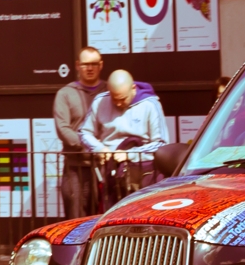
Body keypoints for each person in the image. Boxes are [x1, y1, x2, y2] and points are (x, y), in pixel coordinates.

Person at [79, 70, 170, 204]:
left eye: (123, 99)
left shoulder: (150, 104)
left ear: (133, 88)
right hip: (109, 175)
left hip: (142, 175)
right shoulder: (100, 101)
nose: (118, 104)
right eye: (114, 99)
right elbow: (84, 132)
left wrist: (129, 154)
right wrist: (99, 148)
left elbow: (161, 143)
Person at [54, 47, 106, 218]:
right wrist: (90, 147)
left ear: (101, 65)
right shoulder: (65, 94)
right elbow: (63, 128)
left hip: (106, 166)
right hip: (75, 168)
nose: (89, 68)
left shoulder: (109, 91)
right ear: (77, 65)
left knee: (105, 217)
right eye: (85, 64)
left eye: (93, 64)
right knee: (75, 220)